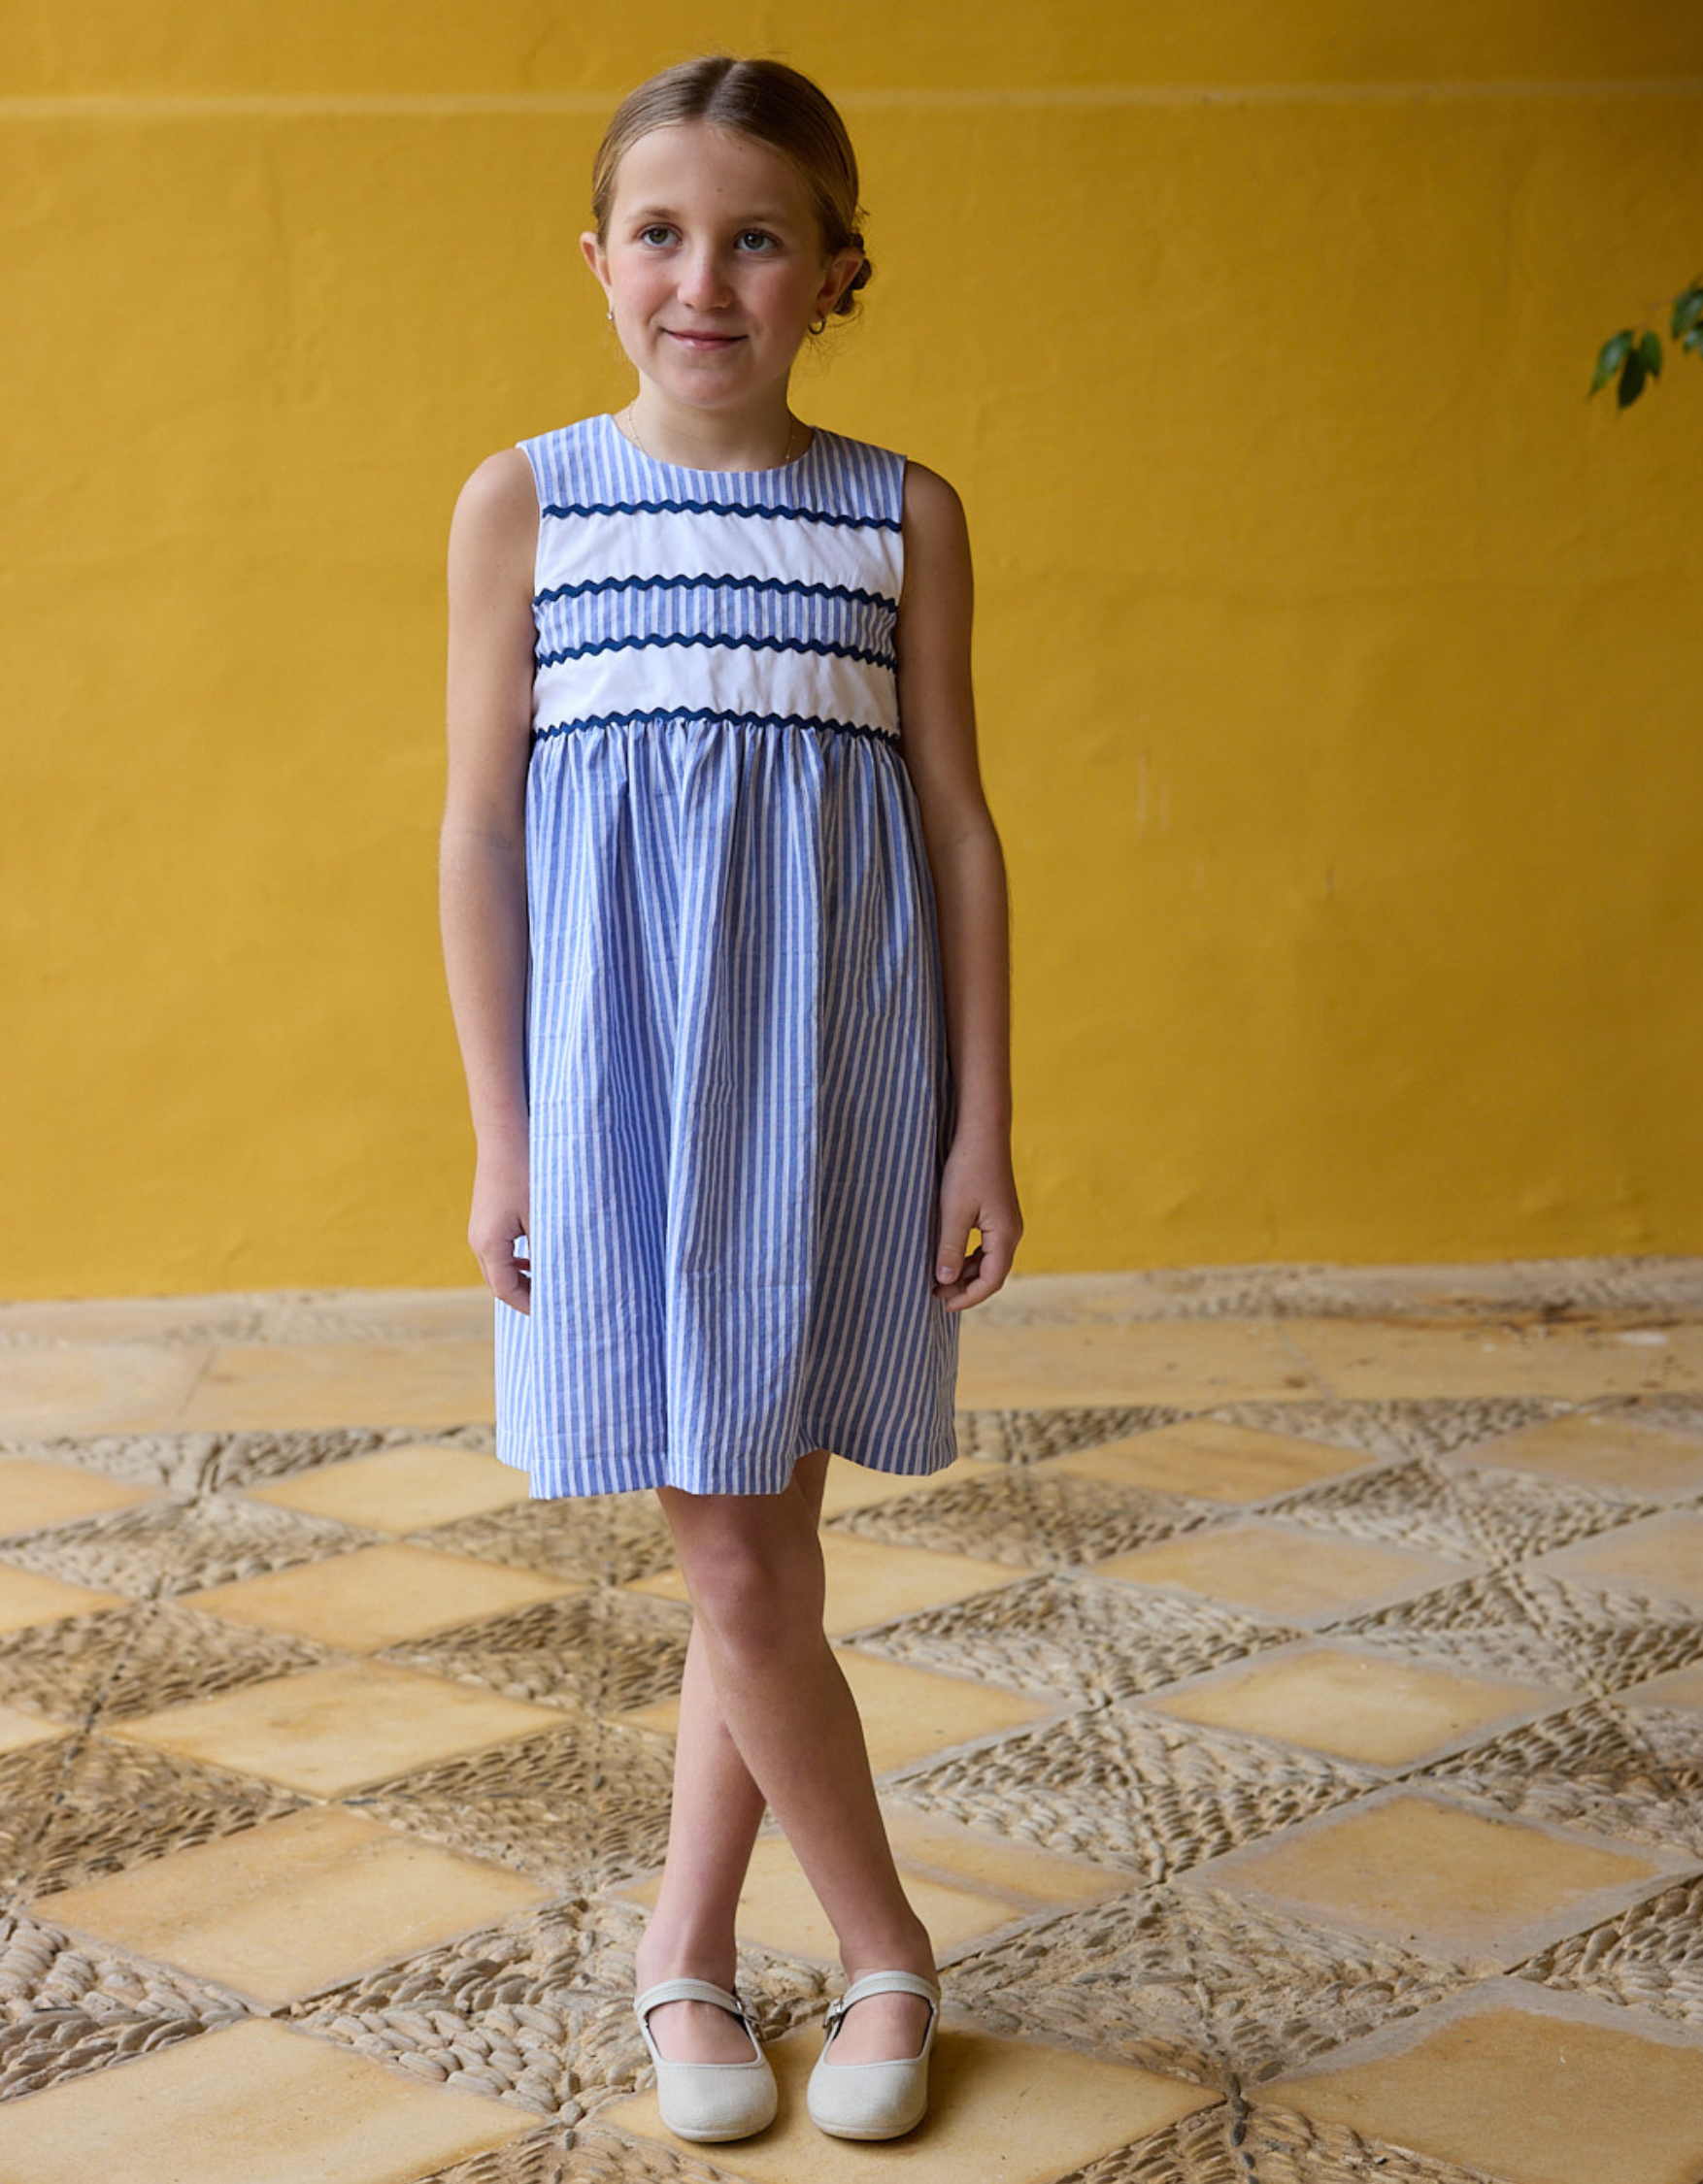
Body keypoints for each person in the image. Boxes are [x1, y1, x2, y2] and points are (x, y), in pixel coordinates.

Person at [438, 53, 1020, 2144]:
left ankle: (686, 1958)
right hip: (619, 1106)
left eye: (758, 237)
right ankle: (885, 1952)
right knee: (742, 1562)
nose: (707, 278)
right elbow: (482, 837)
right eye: (664, 233)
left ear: (836, 274)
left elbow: (956, 825)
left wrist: (981, 1123)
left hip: (839, 1093)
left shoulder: (898, 514)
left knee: (755, 1543)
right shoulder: (528, 501)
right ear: (596, 260)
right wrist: (504, 1133)